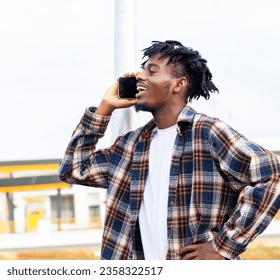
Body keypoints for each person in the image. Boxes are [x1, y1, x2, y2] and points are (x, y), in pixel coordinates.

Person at [58, 40, 280, 260]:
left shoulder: (208, 132)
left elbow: (272, 175)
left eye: (151, 71)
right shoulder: (131, 146)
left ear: (178, 84)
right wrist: (105, 108)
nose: (140, 76)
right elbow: (74, 169)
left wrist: (222, 247)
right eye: (143, 69)